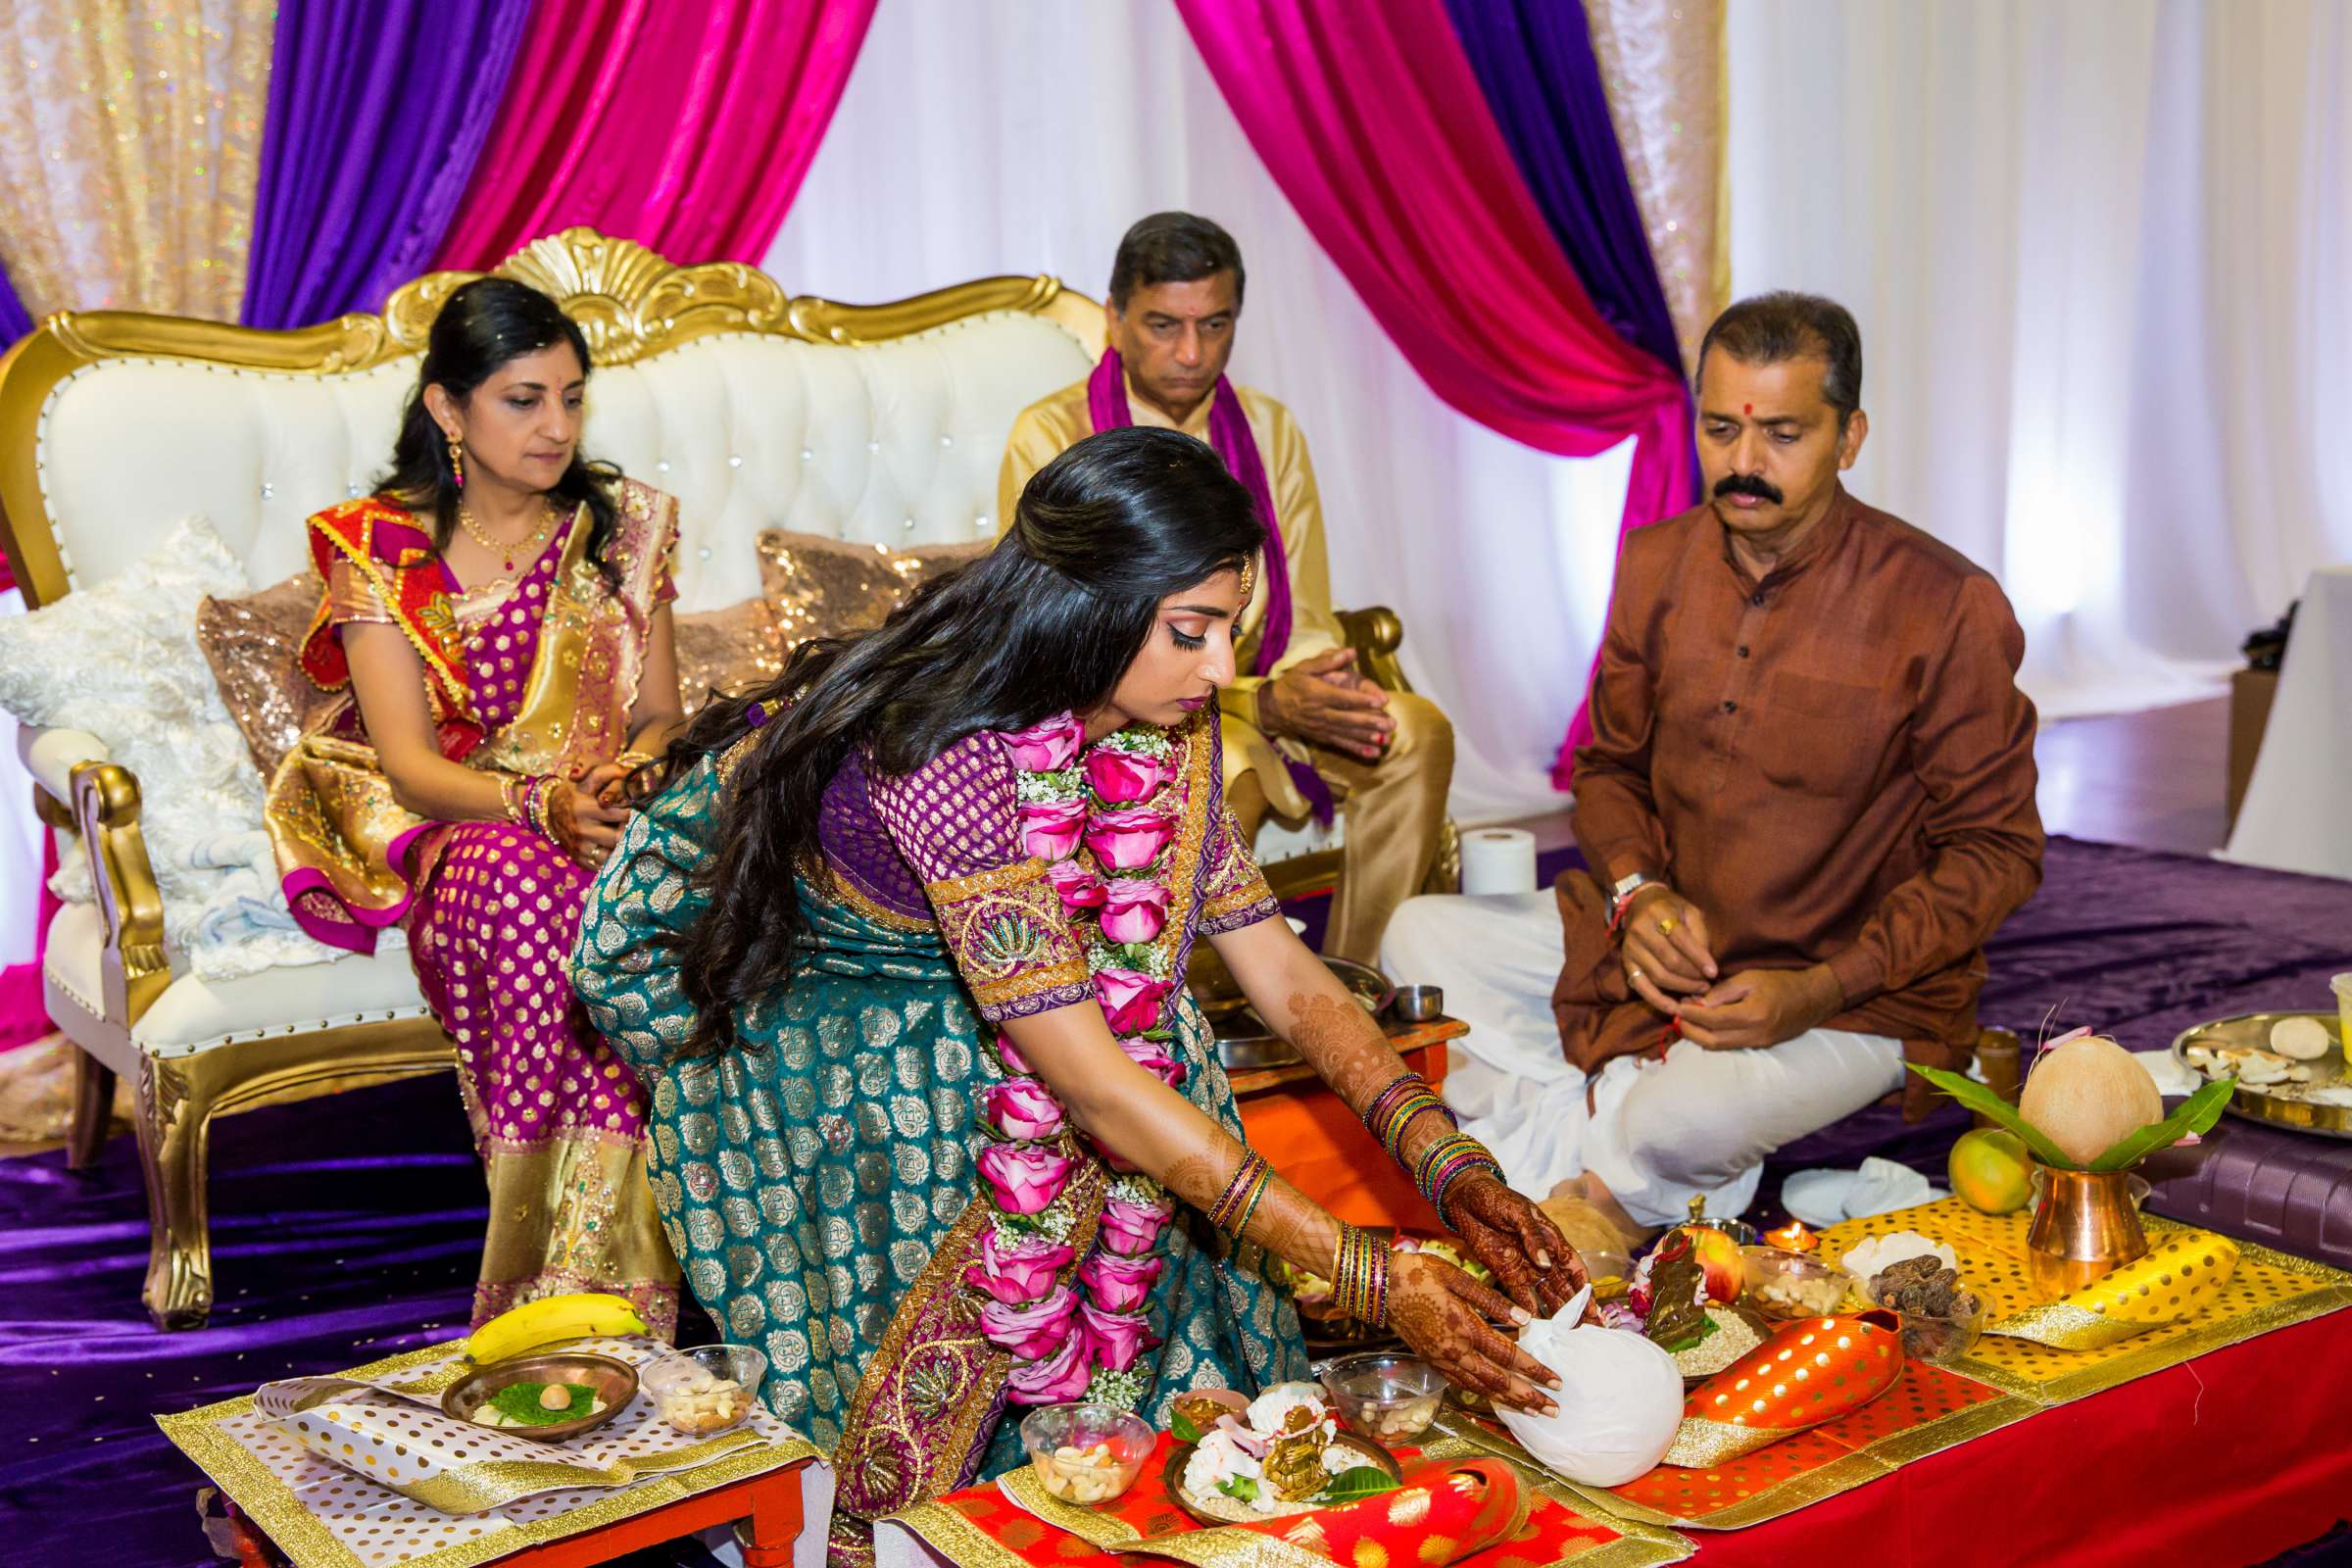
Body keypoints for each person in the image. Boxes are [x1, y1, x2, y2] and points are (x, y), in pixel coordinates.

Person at [572, 426, 1577, 1546]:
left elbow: (1280, 967)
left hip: (987, 970)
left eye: (1229, 629)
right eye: (1189, 631)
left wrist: (1451, 1166)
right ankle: (919, 1515)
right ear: (1086, 610)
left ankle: (1159, 1466)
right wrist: (1369, 1275)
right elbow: (1096, 1089)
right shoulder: (941, 746)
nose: (1221, 672)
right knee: (1005, 1107)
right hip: (831, 1001)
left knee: (1169, 1042)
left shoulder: (1163, 713)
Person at [1383, 292, 2044, 1249]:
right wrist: (1638, 894)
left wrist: (1819, 988)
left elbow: (2000, 852)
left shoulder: (1946, 607)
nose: (1744, 462)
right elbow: (1607, 766)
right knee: (1423, 943)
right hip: (1675, 950)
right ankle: (1599, 1166)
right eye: (1722, 427)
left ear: (1849, 437)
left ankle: (1579, 1159)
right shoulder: (1658, 563)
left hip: (1853, 992)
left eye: (1783, 433)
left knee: (1681, 1122)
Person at [267, 277, 686, 1332]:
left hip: (610, 817)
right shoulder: (382, 550)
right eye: (523, 398)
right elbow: (408, 765)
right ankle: (555, 1292)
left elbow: (665, 717)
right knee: (531, 892)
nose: (557, 427)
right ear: (448, 410)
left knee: (683, 898)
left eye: (573, 398)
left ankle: (647, 1277)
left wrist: (628, 773)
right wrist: (542, 806)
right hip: (473, 832)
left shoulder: (622, 529)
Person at [999, 213, 1453, 966]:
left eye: (1215, 325)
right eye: (1162, 325)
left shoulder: (1268, 431)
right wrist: (1257, 703)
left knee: (1414, 732)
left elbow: (1304, 610)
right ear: (1114, 319)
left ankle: (1350, 986)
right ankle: (1167, 1009)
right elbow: (1063, 644)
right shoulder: (1051, 438)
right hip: (1119, 710)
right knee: (1229, 763)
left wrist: (1315, 678)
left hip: (1259, 689)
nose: (1190, 353)